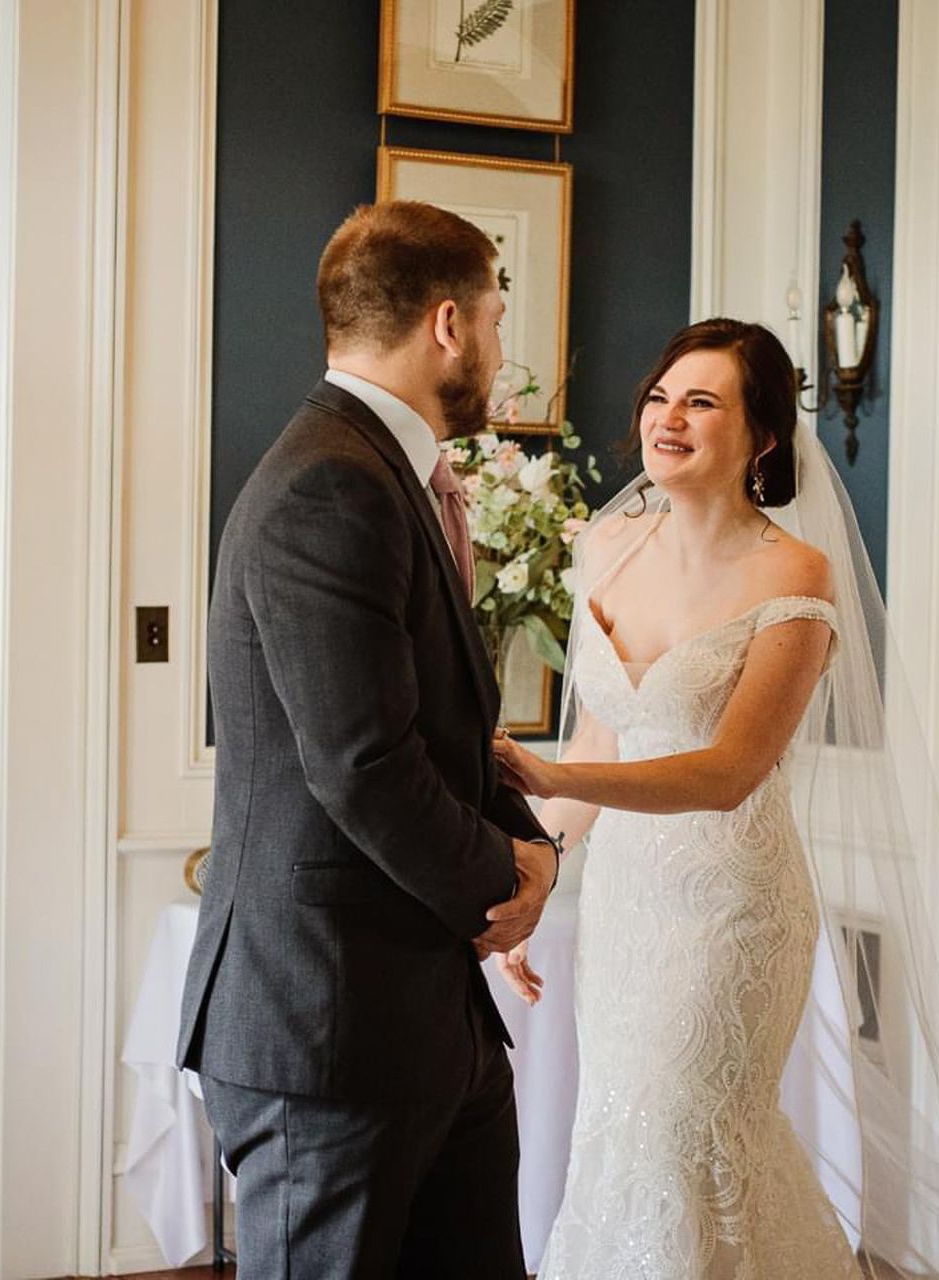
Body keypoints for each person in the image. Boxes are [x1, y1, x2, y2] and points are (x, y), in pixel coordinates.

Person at [493, 320, 939, 1277]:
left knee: (684, 1139)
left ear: (764, 438)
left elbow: (730, 771)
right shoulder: (606, 550)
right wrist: (535, 870)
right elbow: (598, 738)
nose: (669, 419)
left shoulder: (795, 575)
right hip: (627, 906)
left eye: (702, 402)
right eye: (660, 397)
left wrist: (549, 777)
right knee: (622, 1140)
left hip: (731, 910)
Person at [177, 200, 558, 1280]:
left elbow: (441, 732)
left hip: (425, 1018)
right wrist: (507, 879)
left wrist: (536, 852)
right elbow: (365, 765)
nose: (496, 346)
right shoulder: (330, 482)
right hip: (329, 1027)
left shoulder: (387, 473)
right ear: (448, 324)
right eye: (493, 316)